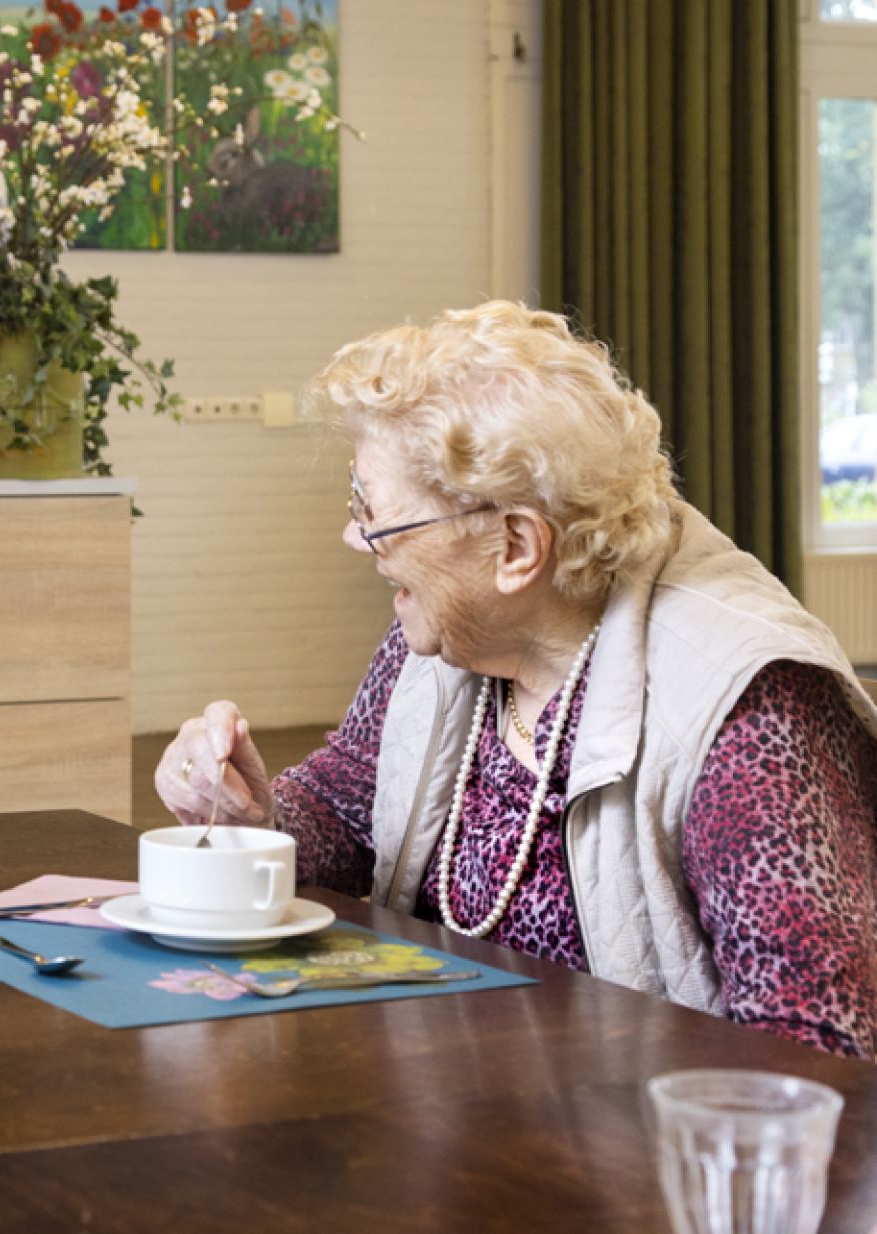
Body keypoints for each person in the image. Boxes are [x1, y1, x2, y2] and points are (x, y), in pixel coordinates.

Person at [157, 301, 877, 1058]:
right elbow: (351, 807)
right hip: (450, 1117)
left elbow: (815, 1061)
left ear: (515, 547)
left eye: (374, 511)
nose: (353, 535)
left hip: (626, 1151)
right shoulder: (449, 640)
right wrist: (254, 819)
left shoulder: (750, 707)